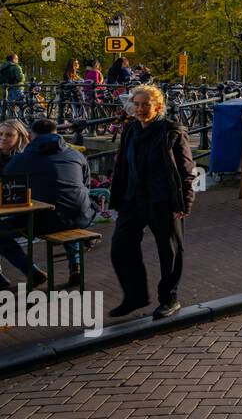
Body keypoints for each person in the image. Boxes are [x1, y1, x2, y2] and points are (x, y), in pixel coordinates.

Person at [108, 84, 196, 319]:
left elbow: (187, 169)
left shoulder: (171, 132)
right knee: (120, 246)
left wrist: (185, 202)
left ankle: (169, 299)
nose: (140, 109)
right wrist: (117, 195)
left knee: (169, 251)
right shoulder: (130, 130)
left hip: (162, 200)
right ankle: (134, 296)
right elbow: (123, 166)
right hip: (133, 199)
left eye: (145, 104)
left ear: (157, 106)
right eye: (136, 105)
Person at [1, 118, 96, 291]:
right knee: (66, 208)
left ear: (30, 136)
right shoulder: (76, 154)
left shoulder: (20, 160)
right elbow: (85, 185)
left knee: (2, 231)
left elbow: (12, 199)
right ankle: (75, 265)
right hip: (81, 217)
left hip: (43, 222)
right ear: (56, 133)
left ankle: (32, 272)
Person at [0, 120, 42, 289]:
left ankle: (30, 271)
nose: (3, 138)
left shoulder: (23, 159)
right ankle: (30, 271)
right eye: (0, 134)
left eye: (9, 135)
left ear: (19, 137)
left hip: (24, 211)